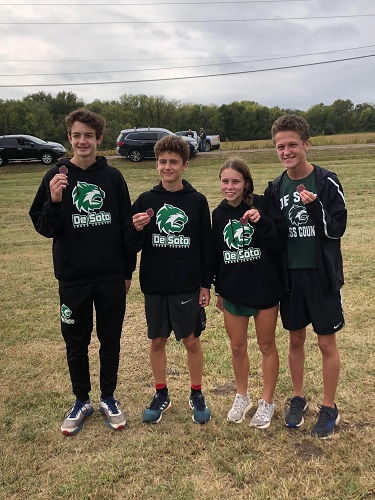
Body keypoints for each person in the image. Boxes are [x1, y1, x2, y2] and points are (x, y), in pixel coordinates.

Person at [29, 108, 136, 435]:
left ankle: (108, 397)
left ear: (99, 138)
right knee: (75, 342)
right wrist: (56, 200)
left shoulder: (113, 178)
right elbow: (45, 228)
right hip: (73, 278)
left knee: (110, 339)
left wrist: (127, 270)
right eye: (76, 135)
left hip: (110, 277)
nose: (82, 141)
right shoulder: (55, 175)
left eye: (88, 135)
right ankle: (81, 400)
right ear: (70, 138)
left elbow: (125, 229)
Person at [265, 114, 347, 438]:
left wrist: (315, 209)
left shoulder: (326, 181)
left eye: (292, 145)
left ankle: (329, 407)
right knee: (295, 338)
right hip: (292, 278)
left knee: (326, 342)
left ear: (306, 144)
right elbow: (274, 235)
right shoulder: (275, 187)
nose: (286, 151)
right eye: (280, 146)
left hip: (321, 276)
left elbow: (337, 228)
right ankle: (298, 397)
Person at [125, 134, 215, 424]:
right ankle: (161, 393)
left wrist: (205, 283)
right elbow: (129, 244)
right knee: (157, 340)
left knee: (191, 341)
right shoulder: (145, 200)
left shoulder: (197, 201)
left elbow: (206, 246)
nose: (167, 167)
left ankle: (196, 393)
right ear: (156, 164)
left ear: (185, 165)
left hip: (186, 285)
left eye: (173, 162)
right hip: (155, 285)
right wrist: (136, 230)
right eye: (162, 162)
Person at [213, 158, 287, 428]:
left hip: (265, 288)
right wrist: (219, 289)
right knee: (237, 346)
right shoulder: (218, 214)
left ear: (246, 183)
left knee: (267, 345)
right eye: (225, 181)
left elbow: (280, 242)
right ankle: (241, 396)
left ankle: (267, 401)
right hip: (233, 291)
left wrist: (262, 221)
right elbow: (218, 256)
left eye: (235, 181)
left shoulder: (263, 204)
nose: (229, 186)